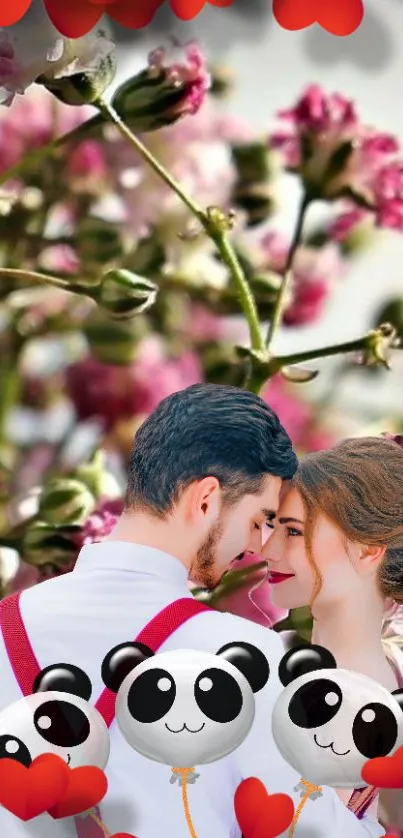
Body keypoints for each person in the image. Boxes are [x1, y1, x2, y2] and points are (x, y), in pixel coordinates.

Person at [0, 385, 384, 837]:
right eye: (258, 520)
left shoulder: (5, 628)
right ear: (206, 498)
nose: (256, 548)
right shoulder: (242, 656)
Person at [262, 435, 403, 826]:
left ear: (367, 549)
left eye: (292, 531)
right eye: (272, 526)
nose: (267, 549)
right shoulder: (262, 663)